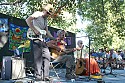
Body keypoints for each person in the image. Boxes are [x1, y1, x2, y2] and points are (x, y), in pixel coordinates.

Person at [26, 4, 54, 81]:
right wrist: (34, 29)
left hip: (42, 39)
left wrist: (53, 38)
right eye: (48, 13)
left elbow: (47, 31)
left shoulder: (46, 20)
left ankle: (46, 76)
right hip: (35, 38)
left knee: (47, 56)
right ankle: (38, 76)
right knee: (38, 58)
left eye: (49, 14)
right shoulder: (37, 13)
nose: (48, 15)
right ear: (44, 10)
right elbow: (28, 20)